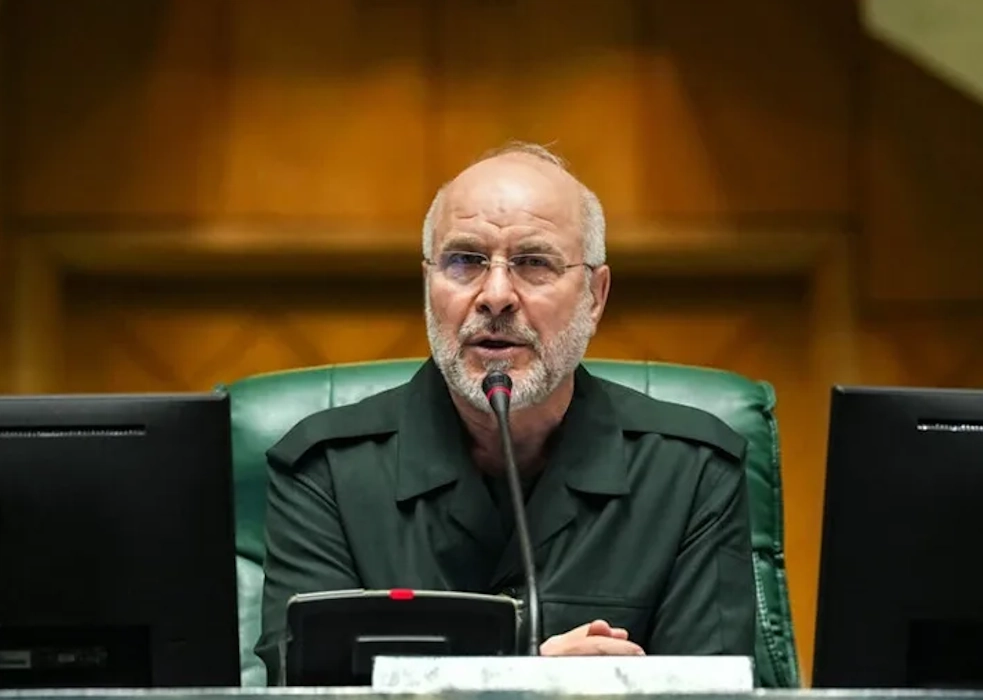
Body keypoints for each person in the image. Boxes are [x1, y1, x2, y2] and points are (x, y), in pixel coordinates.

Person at [255, 141, 756, 683]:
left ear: (595, 296)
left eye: (534, 263)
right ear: (428, 285)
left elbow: (713, 699)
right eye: (464, 261)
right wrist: (535, 680)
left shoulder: (690, 471)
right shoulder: (326, 472)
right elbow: (307, 699)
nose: (495, 295)